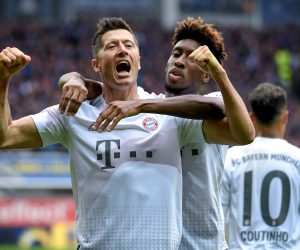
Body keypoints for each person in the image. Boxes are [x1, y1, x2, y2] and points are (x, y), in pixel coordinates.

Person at [0, 17, 254, 249]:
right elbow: (6, 136)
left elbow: (242, 133)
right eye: (112, 46)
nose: (122, 49)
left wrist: (138, 105)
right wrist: (3, 79)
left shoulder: (171, 118)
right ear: (96, 65)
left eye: (129, 45)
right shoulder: (74, 113)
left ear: (139, 61)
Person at [221, 82, 300, 249]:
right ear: (285, 117)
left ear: (251, 118)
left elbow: (218, 217)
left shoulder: (232, 157)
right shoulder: (298, 159)